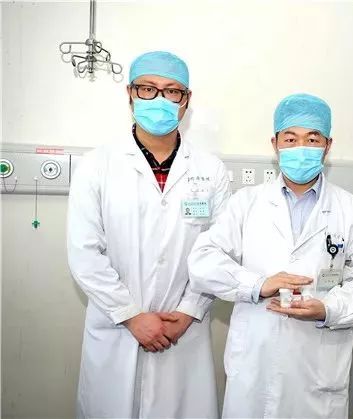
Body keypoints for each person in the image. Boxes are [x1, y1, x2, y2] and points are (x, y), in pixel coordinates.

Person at [188, 93, 353, 418]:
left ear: (328, 146)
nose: (301, 147)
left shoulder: (351, 210)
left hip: (317, 365)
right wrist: (257, 284)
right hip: (256, 361)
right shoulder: (246, 203)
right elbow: (203, 261)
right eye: (290, 139)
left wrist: (328, 308)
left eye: (312, 139)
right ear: (275, 144)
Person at [67, 51, 230, 418]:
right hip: (116, 328)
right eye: (147, 89)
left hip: (182, 330)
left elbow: (218, 252)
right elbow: (84, 254)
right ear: (130, 93)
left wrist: (189, 311)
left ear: (186, 100)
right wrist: (130, 315)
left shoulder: (210, 170)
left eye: (171, 91)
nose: (159, 99)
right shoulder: (97, 165)